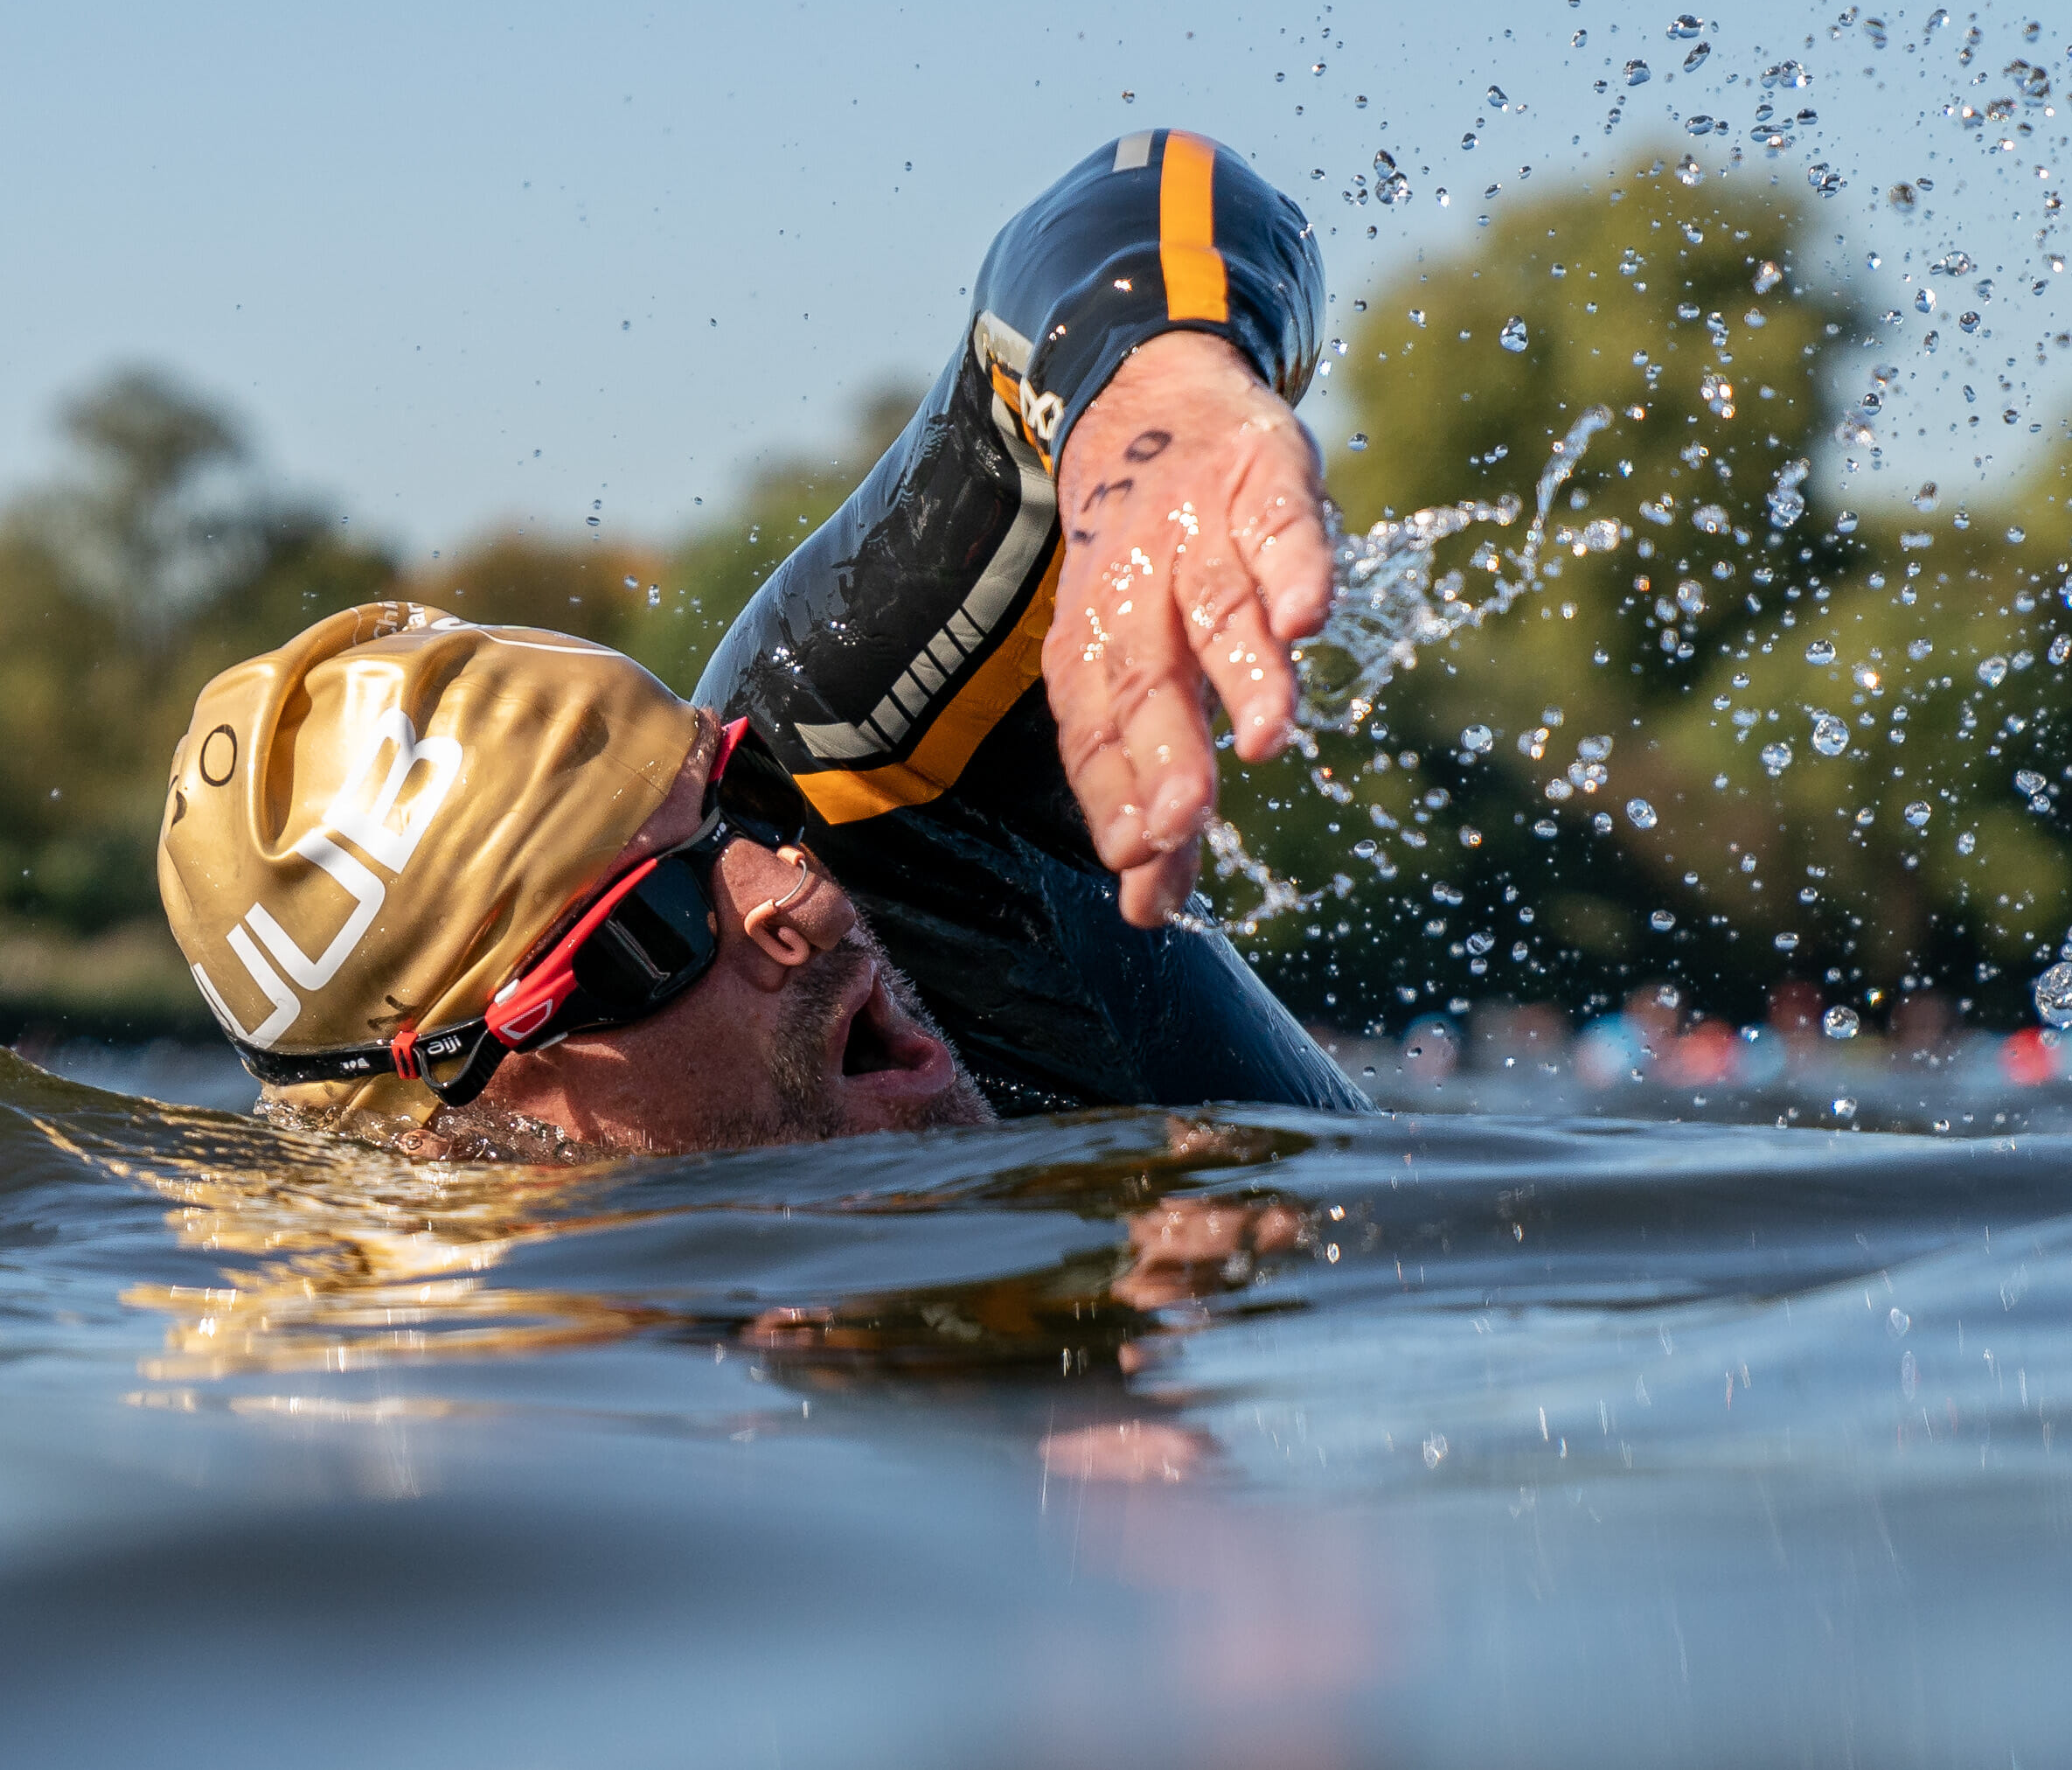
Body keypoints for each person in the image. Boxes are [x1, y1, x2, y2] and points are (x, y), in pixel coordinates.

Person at [156, 129, 1371, 1160]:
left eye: (729, 796)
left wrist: (1145, 395)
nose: (797, 889)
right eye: (654, 932)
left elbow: (1132, 185)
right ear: (454, 1137)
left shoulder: (855, 798)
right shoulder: (491, 1403)